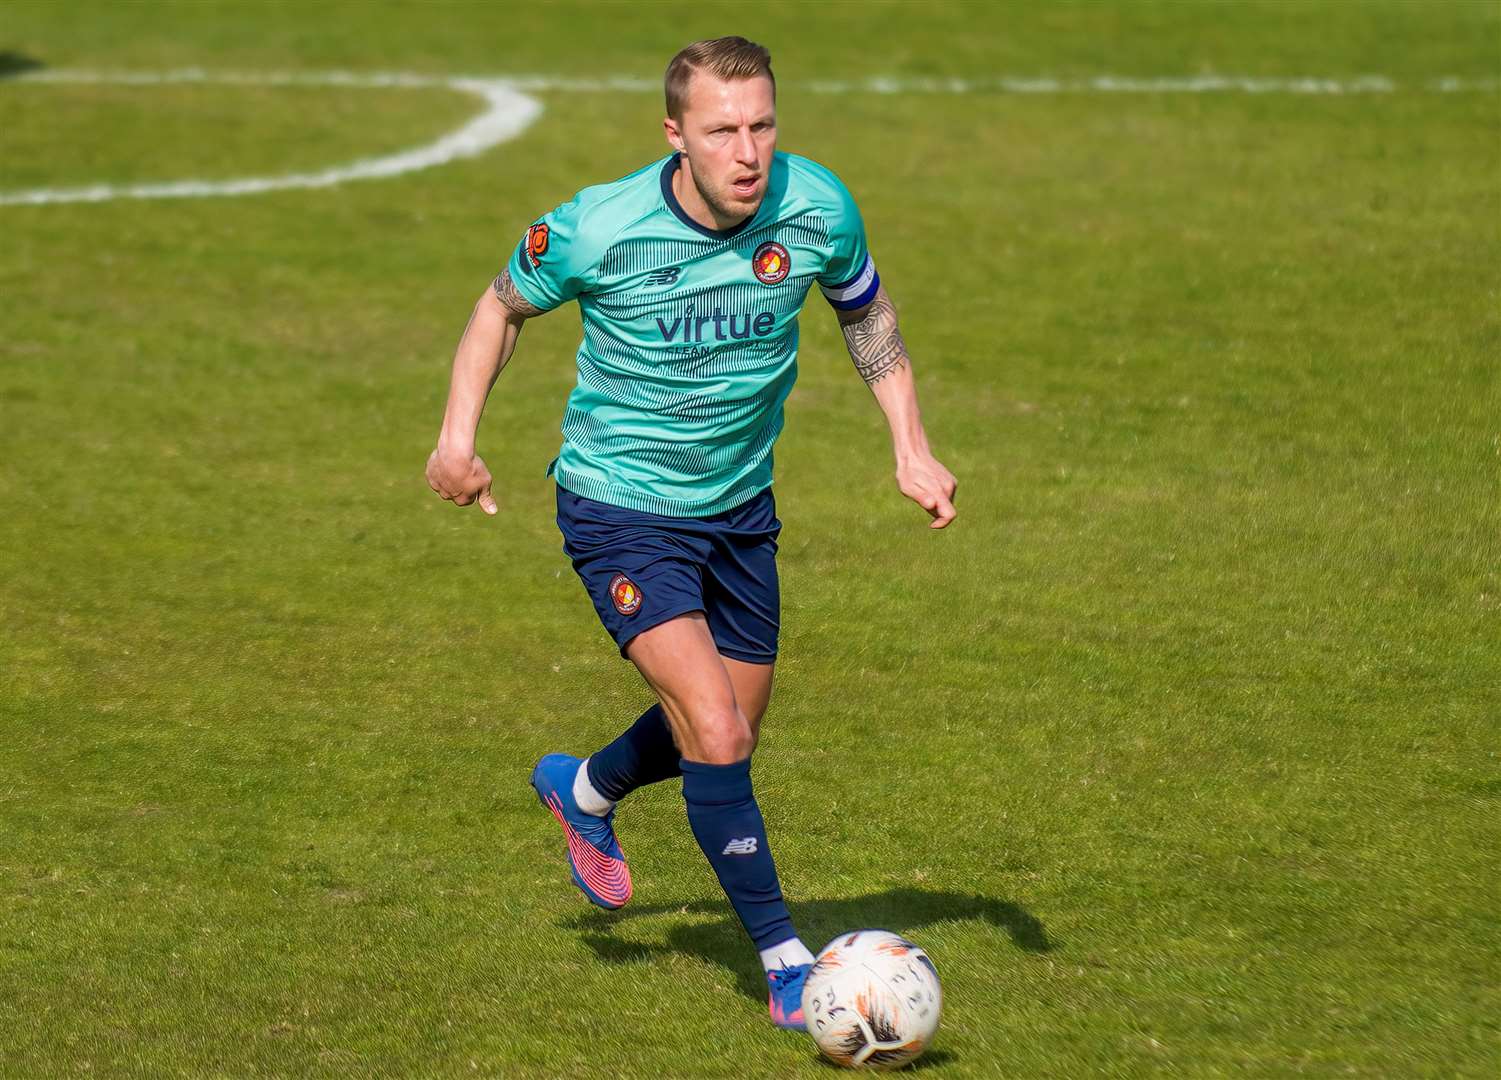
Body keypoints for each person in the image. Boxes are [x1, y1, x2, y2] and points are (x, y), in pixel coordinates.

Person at [425, 36, 957, 1030]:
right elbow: (499, 310)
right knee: (714, 730)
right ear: (675, 135)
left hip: (739, 510)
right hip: (620, 511)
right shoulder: (597, 227)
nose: (748, 152)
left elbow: (866, 314)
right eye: (722, 131)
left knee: (724, 729)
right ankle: (787, 960)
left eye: (762, 126)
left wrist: (908, 447)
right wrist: (456, 442)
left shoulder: (817, 206)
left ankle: (582, 789)